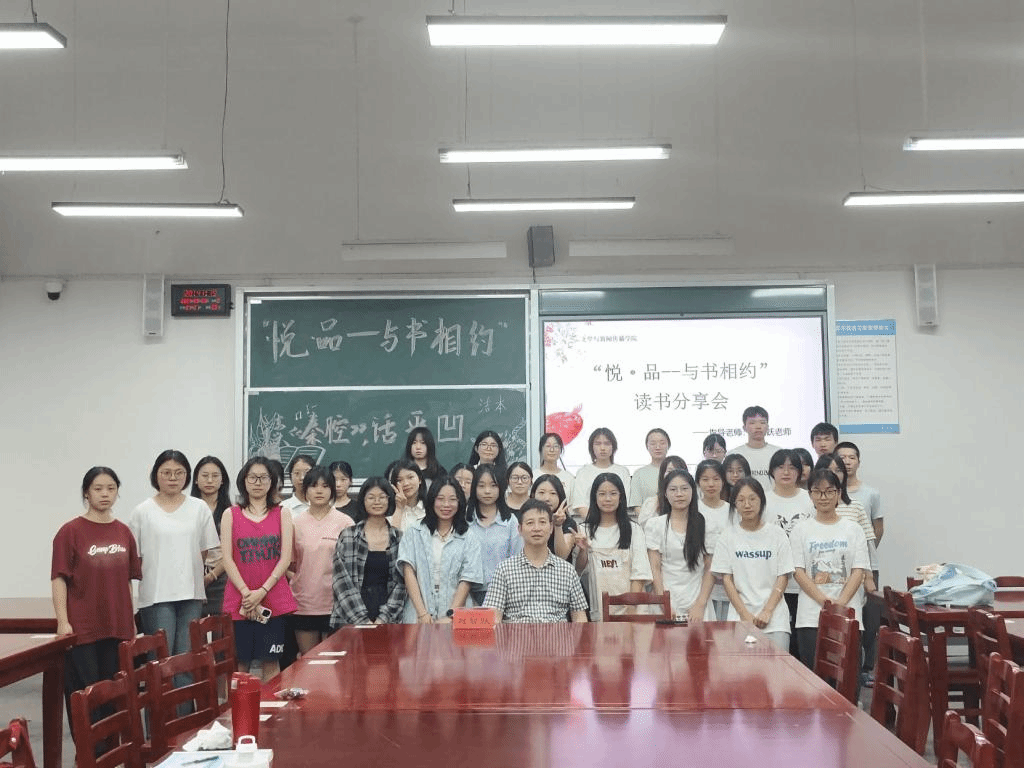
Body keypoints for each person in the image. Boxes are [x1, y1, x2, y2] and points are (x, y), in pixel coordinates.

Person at [52, 467, 142, 732]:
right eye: (98, 489)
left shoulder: (123, 532)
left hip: (117, 627)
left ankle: (113, 749)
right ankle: (89, 750)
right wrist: (62, 622)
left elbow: (127, 580)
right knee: (86, 695)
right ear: (86, 493)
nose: (105, 494)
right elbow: (59, 579)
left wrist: (130, 620)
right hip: (84, 629)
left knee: (114, 694)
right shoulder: (70, 531)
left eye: (111, 489)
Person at [130, 450, 218, 657]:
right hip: (156, 595)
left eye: (179, 473)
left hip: (191, 594)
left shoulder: (199, 508)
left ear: (187, 476)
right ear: (156, 475)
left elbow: (203, 550)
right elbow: (136, 557)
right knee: (161, 658)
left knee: (187, 657)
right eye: (166, 472)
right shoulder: (142, 511)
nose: (173, 478)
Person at [221, 456, 298, 681]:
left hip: (273, 599)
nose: (258, 482)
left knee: (271, 662)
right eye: (252, 477)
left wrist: (261, 592)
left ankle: (269, 706)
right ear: (243, 480)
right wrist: (247, 594)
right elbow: (227, 559)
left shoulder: (282, 513)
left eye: (264, 477)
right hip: (240, 601)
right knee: (240, 664)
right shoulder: (230, 514)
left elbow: (285, 559)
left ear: (272, 482)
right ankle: (238, 706)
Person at [790, 468, 869, 669]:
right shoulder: (800, 530)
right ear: (810, 495)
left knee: (847, 677)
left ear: (838, 493)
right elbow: (798, 572)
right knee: (814, 678)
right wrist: (824, 602)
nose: (823, 497)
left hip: (848, 614)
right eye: (817, 491)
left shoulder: (854, 529)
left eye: (829, 491)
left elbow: (858, 571)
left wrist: (840, 604)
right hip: (810, 617)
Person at [712, 477, 794, 650]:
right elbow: (727, 580)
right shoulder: (727, 537)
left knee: (778, 667)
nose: (747, 505)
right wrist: (744, 615)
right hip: (739, 619)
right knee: (741, 667)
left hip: (775, 620)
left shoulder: (777, 534)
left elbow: (783, 576)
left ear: (761, 500)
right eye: (741, 500)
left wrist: (767, 611)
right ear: (735, 504)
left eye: (752, 499)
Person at [483, 500, 589, 623]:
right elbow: (493, 616)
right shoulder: (504, 570)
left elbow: (579, 616)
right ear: (520, 529)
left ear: (551, 528)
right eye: (530, 523)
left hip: (557, 634)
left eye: (542, 522)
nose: (537, 528)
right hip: (517, 634)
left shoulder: (567, 571)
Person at [398, 476, 482, 623]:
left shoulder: (469, 536)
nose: (446, 505)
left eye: (452, 499)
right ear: (432, 500)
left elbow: (467, 579)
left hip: (457, 616)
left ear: (460, 502)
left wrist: (451, 615)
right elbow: (408, 571)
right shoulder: (414, 532)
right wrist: (422, 614)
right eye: (440, 499)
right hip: (417, 613)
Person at [290, 467, 355, 654]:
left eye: (325, 486)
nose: (319, 491)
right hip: (304, 603)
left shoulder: (345, 522)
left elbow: (352, 567)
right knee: (308, 660)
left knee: (332, 662)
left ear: (332, 490)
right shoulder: (295, 523)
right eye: (313, 485)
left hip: (335, 604)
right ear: (305, 490)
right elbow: (289, 563)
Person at [331, 477, 407, 626]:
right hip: (350, 616)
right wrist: (362, 621)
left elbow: (402, 583)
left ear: (390, 500)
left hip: (388, 618)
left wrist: (383, 619)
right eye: (371, 497)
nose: (377, 502)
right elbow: (341, 581)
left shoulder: (399, 538)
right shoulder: (348, 535)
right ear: (363, 501)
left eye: (382, 497)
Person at [575, 472, 651, 621]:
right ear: (594, 497)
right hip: (600, 611)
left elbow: (640, 572)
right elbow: (579, 570)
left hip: (632, 611)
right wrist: (583, 551)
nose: (608, 499)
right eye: (602, 494)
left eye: (613, 493)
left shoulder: (634, 530)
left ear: (621, 497)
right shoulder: (584, 530)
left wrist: (631, 608)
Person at [644, 469, 714, 622]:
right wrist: (664, 603)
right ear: (665, 493)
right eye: (673, 490)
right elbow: (655, 568)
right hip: (666, 600)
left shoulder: (705, 524)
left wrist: (700, 604)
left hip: (697, 602)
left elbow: (710, 568)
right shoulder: (655, 525)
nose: (679, 494)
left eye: (684, 489)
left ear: (693, 491)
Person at [765, 449, 814, 654]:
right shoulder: (762, 500)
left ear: (800, 472)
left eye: (792, 467)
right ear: (771, 471)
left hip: (806, 585)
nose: (786, 472)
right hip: (773, 584)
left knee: (803, 646)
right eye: (780, 467)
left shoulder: (810, 499)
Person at [466, 464, 522, 606]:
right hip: (467, 592)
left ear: (501, 488)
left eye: (493, 485)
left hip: (503, 592)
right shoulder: (465, 519)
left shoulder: (510, 521)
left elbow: (517, 559)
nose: (487, 491)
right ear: (474, 488)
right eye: (481, 486)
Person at [191, 456, 232, 616]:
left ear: (222, 480)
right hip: (191, 577)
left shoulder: (231, 511)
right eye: (205, 475)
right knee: (192, 627)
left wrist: (211, 576)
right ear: (196, 479)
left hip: (223, 577)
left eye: (215, 476)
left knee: (221, 627)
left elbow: (233, 551)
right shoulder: (187, 510)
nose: (209, 480)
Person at [694, 459, 731, 620]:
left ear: (723, 481)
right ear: (698, 482)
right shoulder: (693, 510)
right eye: (705, 479)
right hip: (700, 583)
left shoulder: (732, 510)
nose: (711, 484)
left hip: (729, 583)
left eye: (716, 479)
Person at [570, 428, 631, 519]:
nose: (602, 448)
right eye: (598, 444)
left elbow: (624, 502)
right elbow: (580, 505)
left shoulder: (622, 471)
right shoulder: (583, 472)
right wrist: (597, 523)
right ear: (591, 447)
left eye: (607, 443)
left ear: (613, 447)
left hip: (617, 522)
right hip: (590, 523)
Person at [729, 406, 780, 488]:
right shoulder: (734, 454)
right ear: (744, 428)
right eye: (752, 423)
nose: (758, 426)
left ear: (767, 427)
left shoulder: (778, 453)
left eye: (762, 422)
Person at [530, 474, 576, 560]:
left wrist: (558, 525)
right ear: (533, 495)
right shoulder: (526, 520)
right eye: (541, 492)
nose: (547, 498)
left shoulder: (568, 523)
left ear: (560, 497)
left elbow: (562, 556)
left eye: (553, 493)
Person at [636, 455, 688, 527]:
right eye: (670, 471)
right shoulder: (651, 503)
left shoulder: (692, 501)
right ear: (662, 474)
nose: (674, 475)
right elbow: (644, 527)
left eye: (678, 470)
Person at [628, 428, 670, 512]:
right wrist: (648, 519)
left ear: (668, 445)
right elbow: (637, 506)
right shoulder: (639, 474)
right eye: (653, 443)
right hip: (648, 519)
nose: (658, 447)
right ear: (647, 446)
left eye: (662, 443)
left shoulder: (677, 470)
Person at [537, 432, 575, 506]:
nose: (552, 450)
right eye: (548, 446)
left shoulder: (569, 478)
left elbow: (572, 505)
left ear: (560, 450)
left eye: (556, 446)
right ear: (541, 449)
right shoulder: (533, 475)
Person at [388, 460, 426, 532]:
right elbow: (392, 537)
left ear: (420, 479)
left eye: (410, 477)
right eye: (399, 480)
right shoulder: (388, 512)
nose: (406, 483)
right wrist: (399, 509)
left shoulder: (431, 508)